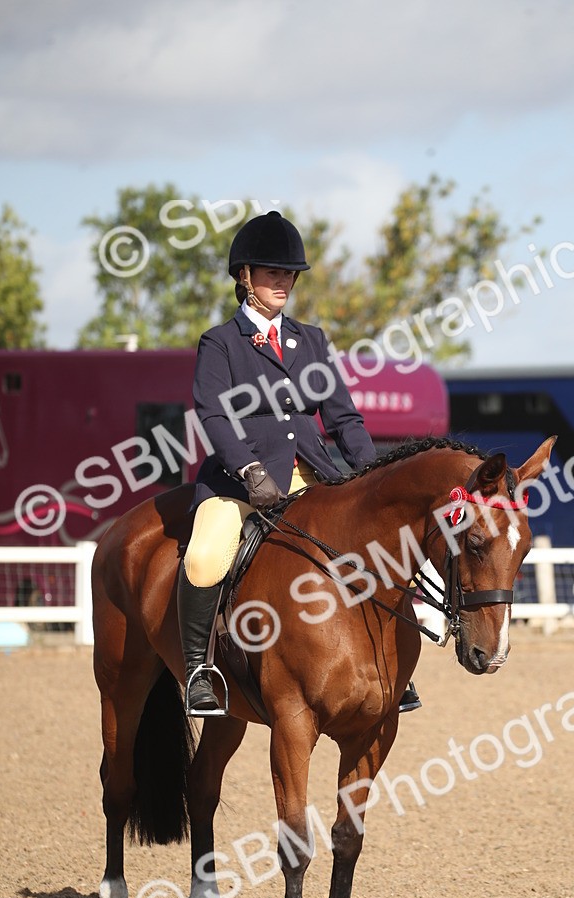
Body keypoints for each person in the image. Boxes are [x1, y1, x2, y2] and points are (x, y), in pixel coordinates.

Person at [179, 210, 421, 717]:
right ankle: (200, 669)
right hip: (239, 479)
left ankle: (392, 662)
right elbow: (214, 415)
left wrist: (373, 475)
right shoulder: (220, 343)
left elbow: (342, 416)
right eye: (273, 273)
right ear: (244, 277)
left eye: (289, 274)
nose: (284, 282)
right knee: (204, 556)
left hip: (311, 470)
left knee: (379, 538)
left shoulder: (310, 340)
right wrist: (249, 471)